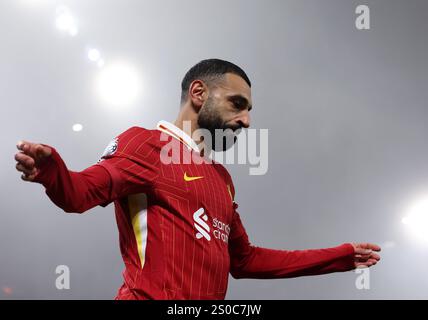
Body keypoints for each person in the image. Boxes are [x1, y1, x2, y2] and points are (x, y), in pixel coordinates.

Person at [14, 59, 381, 300]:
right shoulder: (146, 144)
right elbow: (80, 193)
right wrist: (52, 172)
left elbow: (245, 260)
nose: (247, 121)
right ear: (199, 93)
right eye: (238, 104)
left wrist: (341, 256)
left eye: (250, 110)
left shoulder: (221, 178)